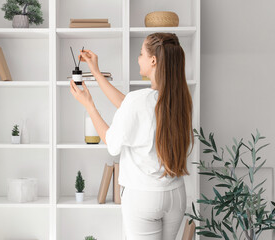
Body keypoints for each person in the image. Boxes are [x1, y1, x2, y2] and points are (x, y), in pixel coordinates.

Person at [69, 32, 194, 240]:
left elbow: (112, 142)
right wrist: (96, 72)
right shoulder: (179, 100)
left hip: (143, 197)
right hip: (175, 196)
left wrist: (89, 104)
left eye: (141, 53)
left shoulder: (139, 101)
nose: (138, 58)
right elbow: (129, 106)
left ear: (153, 60)